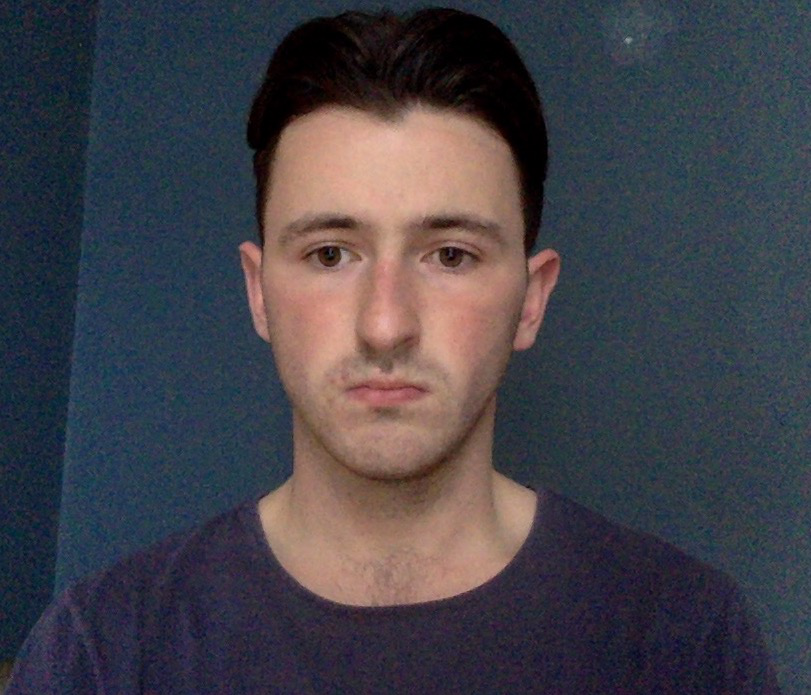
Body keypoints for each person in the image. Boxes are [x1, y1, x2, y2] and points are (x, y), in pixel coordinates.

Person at [8, 7, 779, 694]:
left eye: (449, 255)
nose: (384, 324)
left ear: (531, 299)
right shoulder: (102, 651)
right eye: (329, 254)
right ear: (258, 291)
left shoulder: (683, 639)